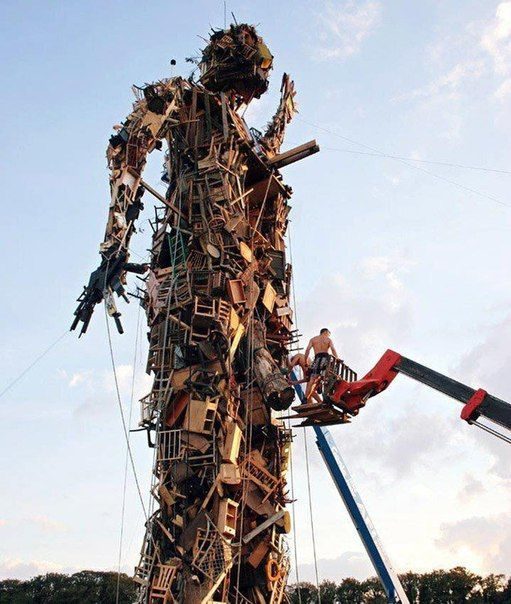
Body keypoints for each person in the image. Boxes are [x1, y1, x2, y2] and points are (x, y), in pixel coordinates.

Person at [303, 328, 340, 399]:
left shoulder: (313, 339)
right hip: (326, 359)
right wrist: (337, 358)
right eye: (329, 334)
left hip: (317, 359)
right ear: (325, 332)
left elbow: (307, 350)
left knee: (312, 380)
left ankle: (305, 398)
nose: (328, 336)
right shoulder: (328, 340)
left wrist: (305, 361)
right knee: (328, 377)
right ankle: (327, 396)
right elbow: (333, 349)